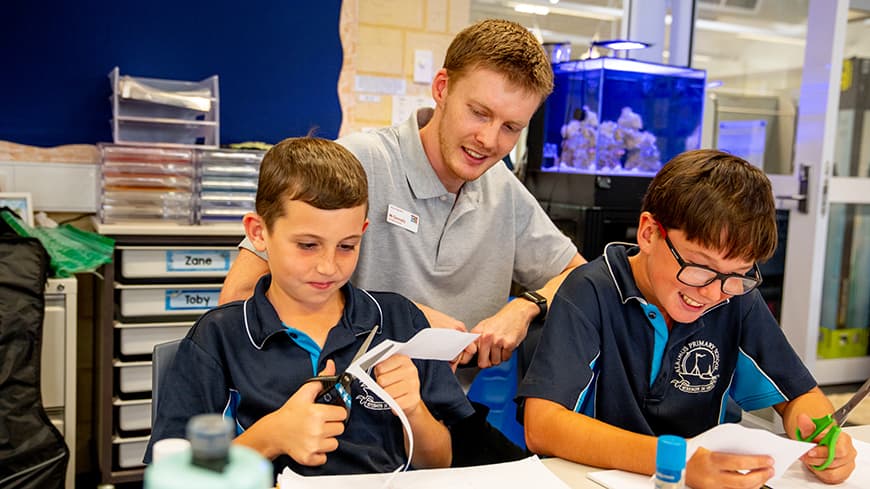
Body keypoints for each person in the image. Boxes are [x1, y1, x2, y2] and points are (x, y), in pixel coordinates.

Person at [219, 18, 585, 372]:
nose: (489, 140)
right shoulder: (356, 163)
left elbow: (579, 276)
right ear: (442, 87)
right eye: (478, 113)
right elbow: (239, 298)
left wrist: (526, 306)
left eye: (511, 127)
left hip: (444, 405)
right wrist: (402, 319)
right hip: (336, 399)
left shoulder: (503, 189)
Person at [518, 149, 857, 488]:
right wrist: (677, 462)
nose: (712, 293)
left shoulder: (735, 298)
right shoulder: (590, 291)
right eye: (699, 267)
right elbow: (542, 425)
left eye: (738, 273)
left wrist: (823, 437)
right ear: (649, 233)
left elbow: (799, 395)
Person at [146, 137, 474, 476]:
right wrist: (269, 437)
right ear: (258, 233)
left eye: (347, 246)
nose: (328, 267)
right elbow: (173, 474)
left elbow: (440, 463)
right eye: (307, 245)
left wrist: (414, 410)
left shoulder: (399, 320)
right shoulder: (219, 337)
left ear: (362, 232)